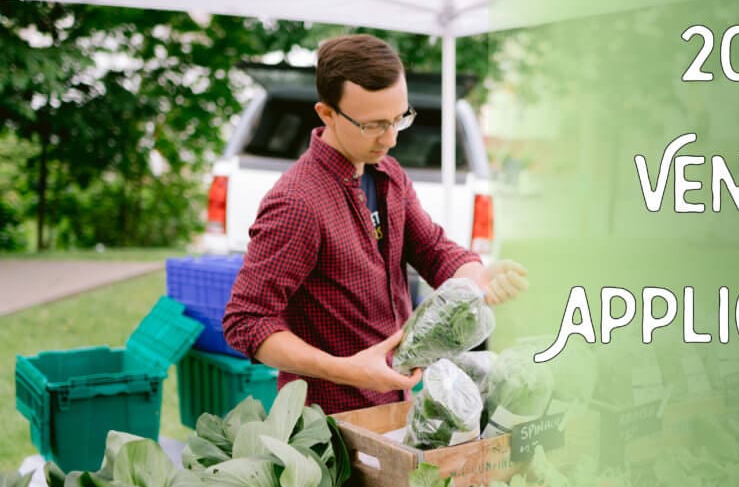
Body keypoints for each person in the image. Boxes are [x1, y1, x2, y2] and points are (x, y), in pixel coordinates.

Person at [223, 34, 528, 414]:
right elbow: (246, 320)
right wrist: (347, 370)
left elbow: (433, 250)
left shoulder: (387, 173)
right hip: (333, 419)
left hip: (397, 402)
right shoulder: (297, 203)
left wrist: (478, 277)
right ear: (327, 113)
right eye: (373, 125)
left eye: (399, 119)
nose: (391, 138)